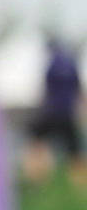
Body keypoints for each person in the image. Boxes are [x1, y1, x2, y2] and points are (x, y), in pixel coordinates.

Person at [23, 37, 85, 184]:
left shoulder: (51, 65)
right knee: (75, 152)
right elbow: (79, 91)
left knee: (35, 141)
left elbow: (45, 90)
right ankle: (81, 186)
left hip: (51, 112)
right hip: (67, 114)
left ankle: (37, 178)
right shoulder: (71, 65)